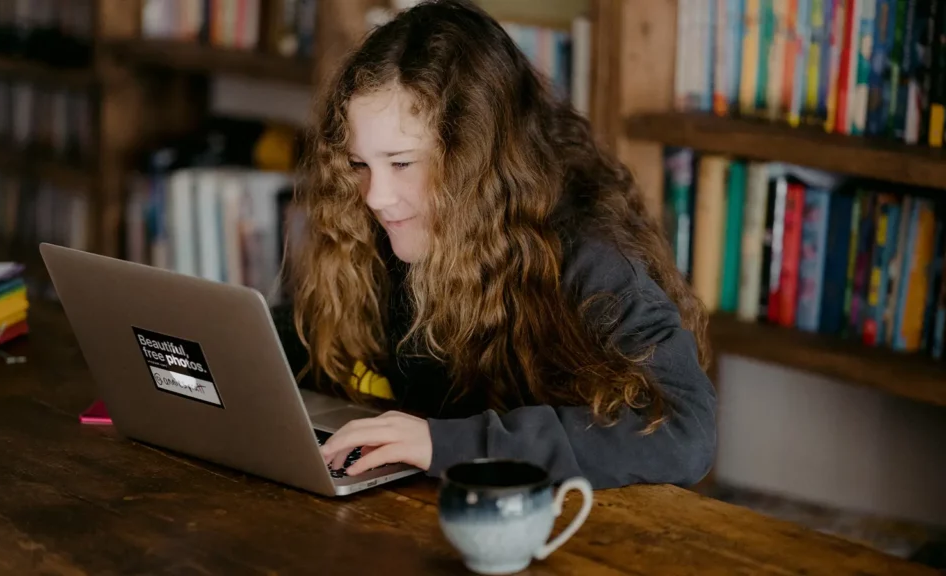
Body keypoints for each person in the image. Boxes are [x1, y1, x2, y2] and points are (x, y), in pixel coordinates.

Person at [270, 0, 716, 490]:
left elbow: (683, 431)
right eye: (359, 165)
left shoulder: (591, 255)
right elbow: (306, 339)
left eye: (402, 164)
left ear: (475, 160)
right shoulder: (384, 227)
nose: (376, 197)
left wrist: (449, 444)